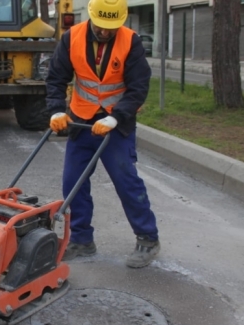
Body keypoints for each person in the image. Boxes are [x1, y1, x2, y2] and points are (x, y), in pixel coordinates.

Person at [45, 0, 160, 268]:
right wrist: (56, 111)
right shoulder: (71, 38)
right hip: (80, 121)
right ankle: (82, 240)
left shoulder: (131, 41)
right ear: (91, 17)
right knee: (73, 183)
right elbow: (56, 78)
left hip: (115, 124)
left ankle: (148, 238)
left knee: (125, 180)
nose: (105, 32)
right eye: (101, 26)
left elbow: (138, 87)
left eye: (111, 27)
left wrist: (115, 117)